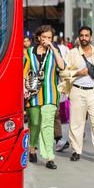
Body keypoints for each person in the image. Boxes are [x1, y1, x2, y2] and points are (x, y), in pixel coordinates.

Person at [59, 26, 94, 164]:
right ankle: (76, 151)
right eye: (82, 35)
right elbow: (63, 73)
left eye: (87, 35)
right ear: (78, 37)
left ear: (91, 37)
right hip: (77, 91)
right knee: (76, 124)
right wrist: (78, 73)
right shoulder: (72, 53)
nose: (84, 38)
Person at [24, 25, 65, 170]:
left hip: (50, 94)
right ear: (39, 37)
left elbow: (62, 66)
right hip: (34, 95)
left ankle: (49, 157)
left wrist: (54, 49)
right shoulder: (29, 52)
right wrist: (24, 88)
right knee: (34, 123)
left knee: (47, 125)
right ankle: (32, 148)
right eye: (45, 37)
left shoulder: (55, 52)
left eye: (50, 38)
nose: (47, 40)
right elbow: (24, 71)